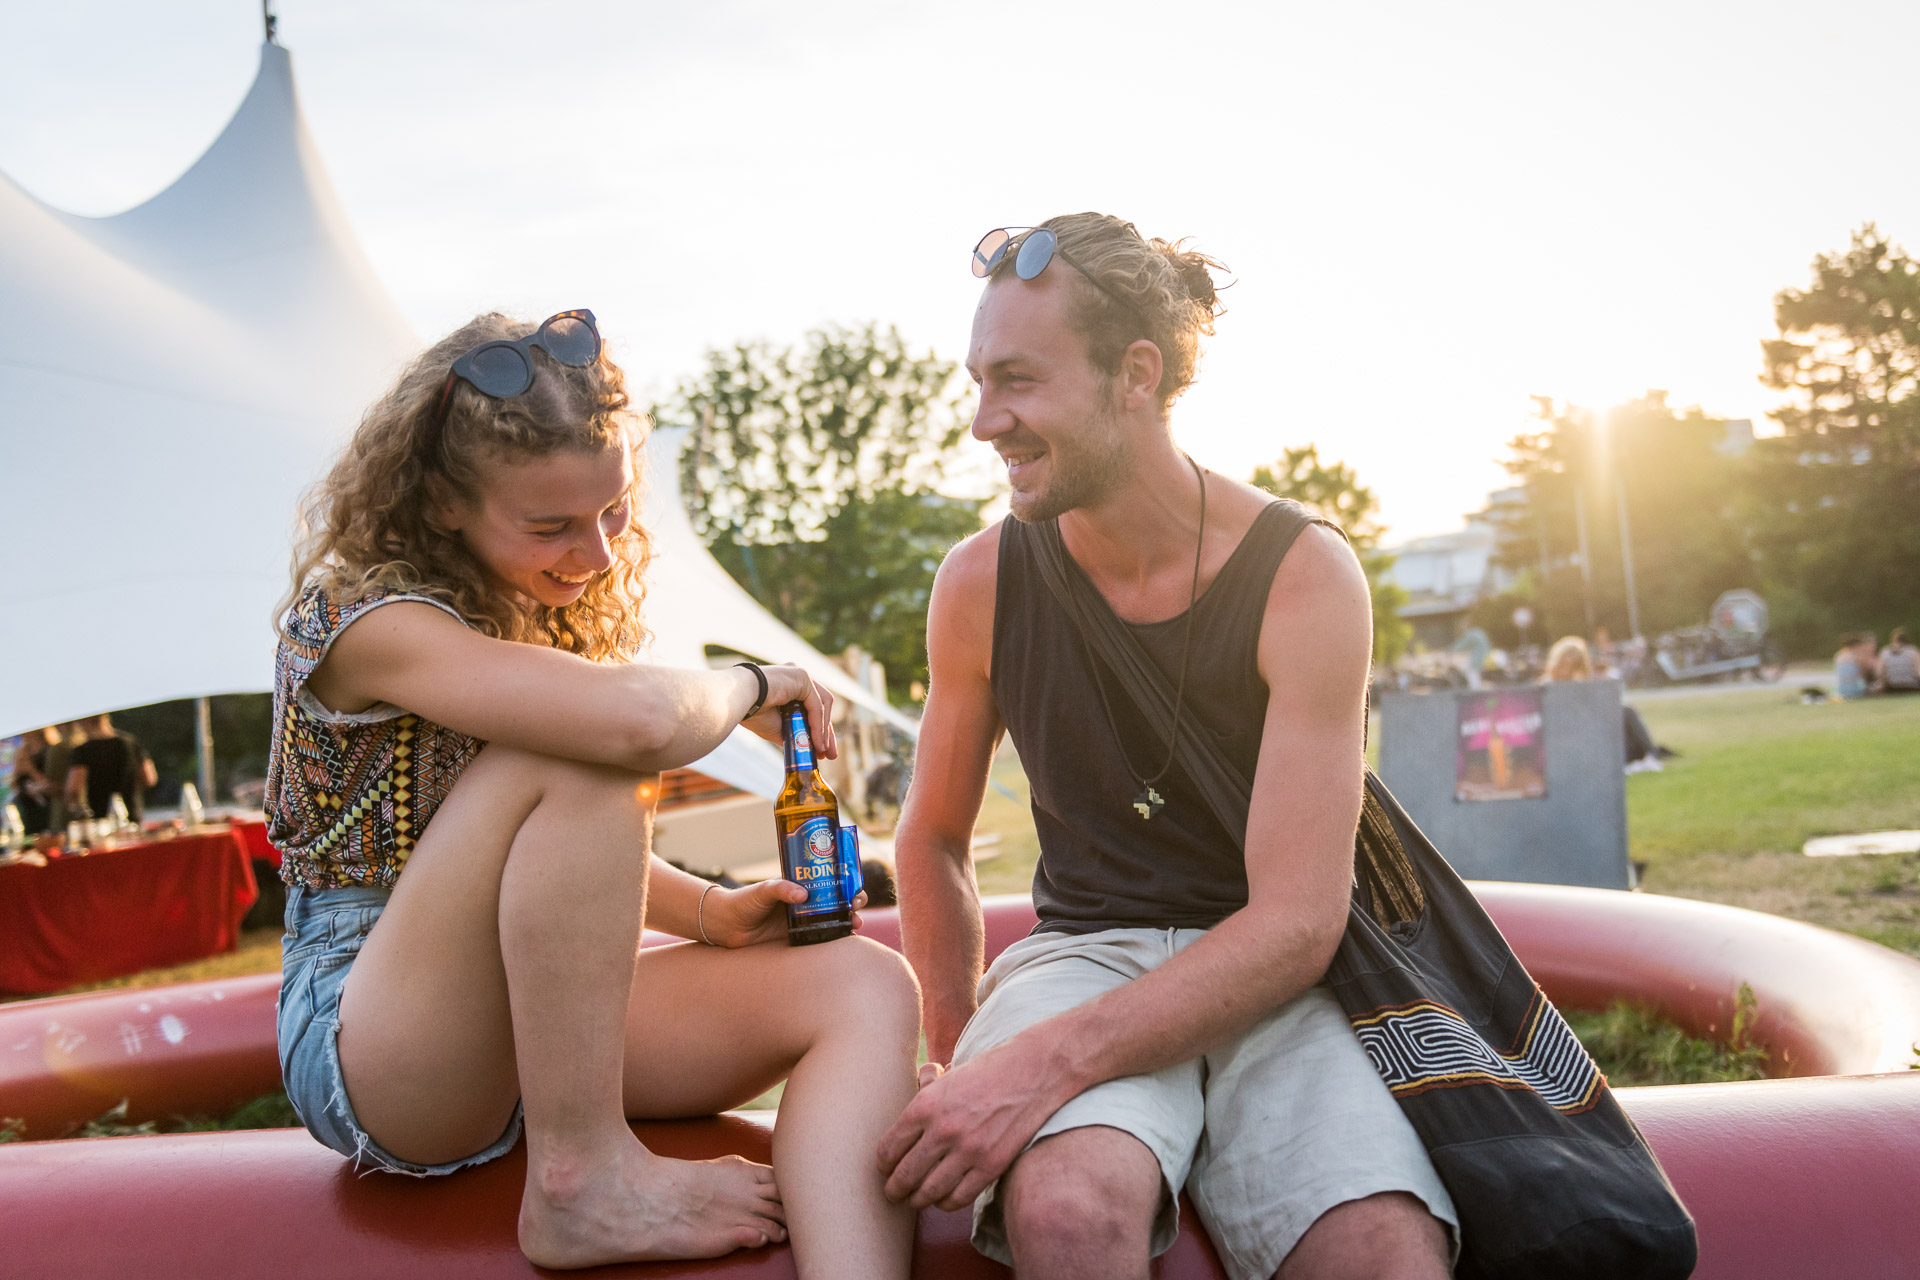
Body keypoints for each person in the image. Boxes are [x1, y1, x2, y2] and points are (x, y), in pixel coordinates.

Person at [268, 310, 919, 1276]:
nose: (602, 553)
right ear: (443, 503)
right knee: (587, 750)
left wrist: (710, 914)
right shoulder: (366, 623)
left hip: (531, 1027)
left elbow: (546, 845)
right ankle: (583, 1181)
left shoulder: (536, 615)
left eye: (612, 511)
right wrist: (756, 683)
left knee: (864, 984)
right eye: (552, 527)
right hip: (374, 1037)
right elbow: (631, 731)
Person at [883, 215, 1455, 1280]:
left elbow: (1297, 923)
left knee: (1378, 1248)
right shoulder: (978, 580)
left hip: (1273, 972)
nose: (983, 420)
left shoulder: (1302, 573)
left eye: (1017, 380)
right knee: (1066, 1213)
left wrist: (1038, 1068)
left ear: (1136, 375)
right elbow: (933, 837)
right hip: (1081, 950)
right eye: (978, 381)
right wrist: (960, 1053)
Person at [1542, 635, 1667, 769]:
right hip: (1569, 728)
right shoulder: (1548, 684)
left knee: (1626, 711)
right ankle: (1650, 754)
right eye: (1565, 664)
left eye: (1574, 665)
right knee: (1623, 716)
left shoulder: (1584, 681)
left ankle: (1650, 753)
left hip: (1589, 722)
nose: (1567, 670)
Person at [65, 712, 156, 825]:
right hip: (133, 813)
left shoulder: (83, 751)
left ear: (85, 721)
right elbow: (150, 779)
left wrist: (77, 810)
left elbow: (73, 789)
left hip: (101, 818)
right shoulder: (131, 742)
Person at [8, 726, 59, 835]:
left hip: (46, 810)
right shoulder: (22, 751)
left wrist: (30, 769)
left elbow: (52, 785)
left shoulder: (50, 751)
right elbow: (14, 784)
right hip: (27, 809)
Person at [1878, 628, 1919, 693]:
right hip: (1911, 686)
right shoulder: (1913, 651)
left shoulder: (1885, 651)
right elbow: (1918, 673)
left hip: (1892, 687)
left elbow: (1879, 672)